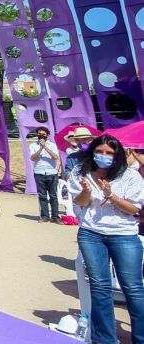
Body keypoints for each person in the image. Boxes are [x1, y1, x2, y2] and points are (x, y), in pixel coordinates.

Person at [67, 134, 144, 344]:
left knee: (133, 288)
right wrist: (86, 191)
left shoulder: (130, 176)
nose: (104, 156)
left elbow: (134, 209)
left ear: (117, 155)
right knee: (99, 286)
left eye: (109, 153)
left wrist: (111, 195)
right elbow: (81, 204)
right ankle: (105, 340)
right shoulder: (80, 172)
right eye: (100, 151)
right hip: (92, 233)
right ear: (92, 152)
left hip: (124, 235)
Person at [29, 126, 61, 223]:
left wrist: (45, 147)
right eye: (39, 133)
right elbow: (33, 158)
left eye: (43, 134)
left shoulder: (52, 145)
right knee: (42, 195)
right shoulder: (33, 145)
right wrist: (40, 149)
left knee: (53, 195)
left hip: (52, 173)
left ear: (47, 135)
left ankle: (55, 216)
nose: (41, 135)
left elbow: (55, 157)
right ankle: (44, 216)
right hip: (39, 173)